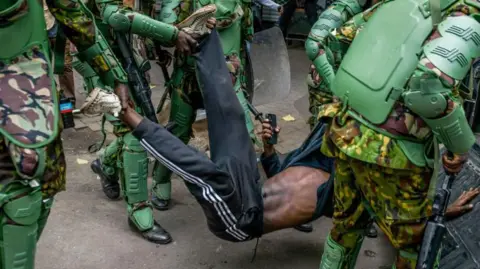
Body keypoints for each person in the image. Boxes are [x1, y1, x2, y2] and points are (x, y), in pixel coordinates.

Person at [105, 29, 479, 243]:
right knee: (233, 118)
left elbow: (392, 212)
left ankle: (132, 120)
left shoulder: (347, 187)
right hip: (248, 186)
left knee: (208, 174)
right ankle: (203, 43)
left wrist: (440, 211)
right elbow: (276, 167)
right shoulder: (321, 149)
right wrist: (268, 144)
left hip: (240, 219)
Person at [311, 0, 480, 267]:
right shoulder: (466, 8)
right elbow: (429, 90)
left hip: (347, 132)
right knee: (415, 248)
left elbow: (331, 43)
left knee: (345, 228)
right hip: (395, 154)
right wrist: (459, 146)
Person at [52, 0, 214, 244]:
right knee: (135, 135)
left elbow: (128, 17)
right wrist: (172, 35)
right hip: (98, 63)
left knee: (141, 127)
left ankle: (105, 163)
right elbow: (115, 16)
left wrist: (152, 46)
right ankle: (139, 211)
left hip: (123, 60)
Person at [148, 0, 259, 213]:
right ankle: (161, 180)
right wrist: (185, 28)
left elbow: (247, 35)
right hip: (188, 76)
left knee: (242, 132)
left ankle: (246, 190)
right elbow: (165, 29)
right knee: (177, 131)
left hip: (227, 78)